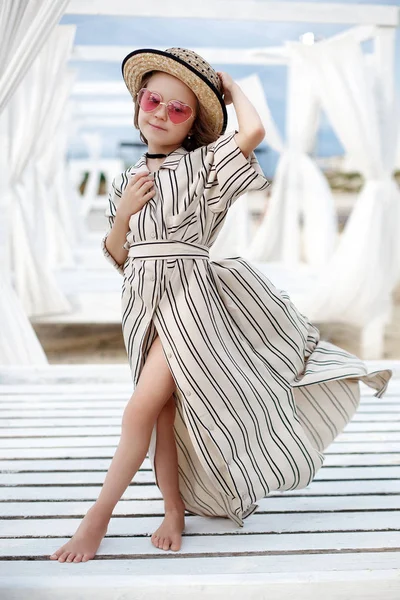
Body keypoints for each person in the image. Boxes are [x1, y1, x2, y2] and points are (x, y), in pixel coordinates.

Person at [50, 47, 392, 563]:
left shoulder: (203, 165)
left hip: (188, 301)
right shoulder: (127, 179)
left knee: (138, 410)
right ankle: (173, 510)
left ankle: (96, 520)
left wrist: (228, 89)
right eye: (153, 100)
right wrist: (122, 215)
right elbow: (120, 255)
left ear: (193, 125)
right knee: (162, 415)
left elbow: (251, 134)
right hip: (142, 303)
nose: (161, 113)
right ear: (138, 103)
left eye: (178, 108)